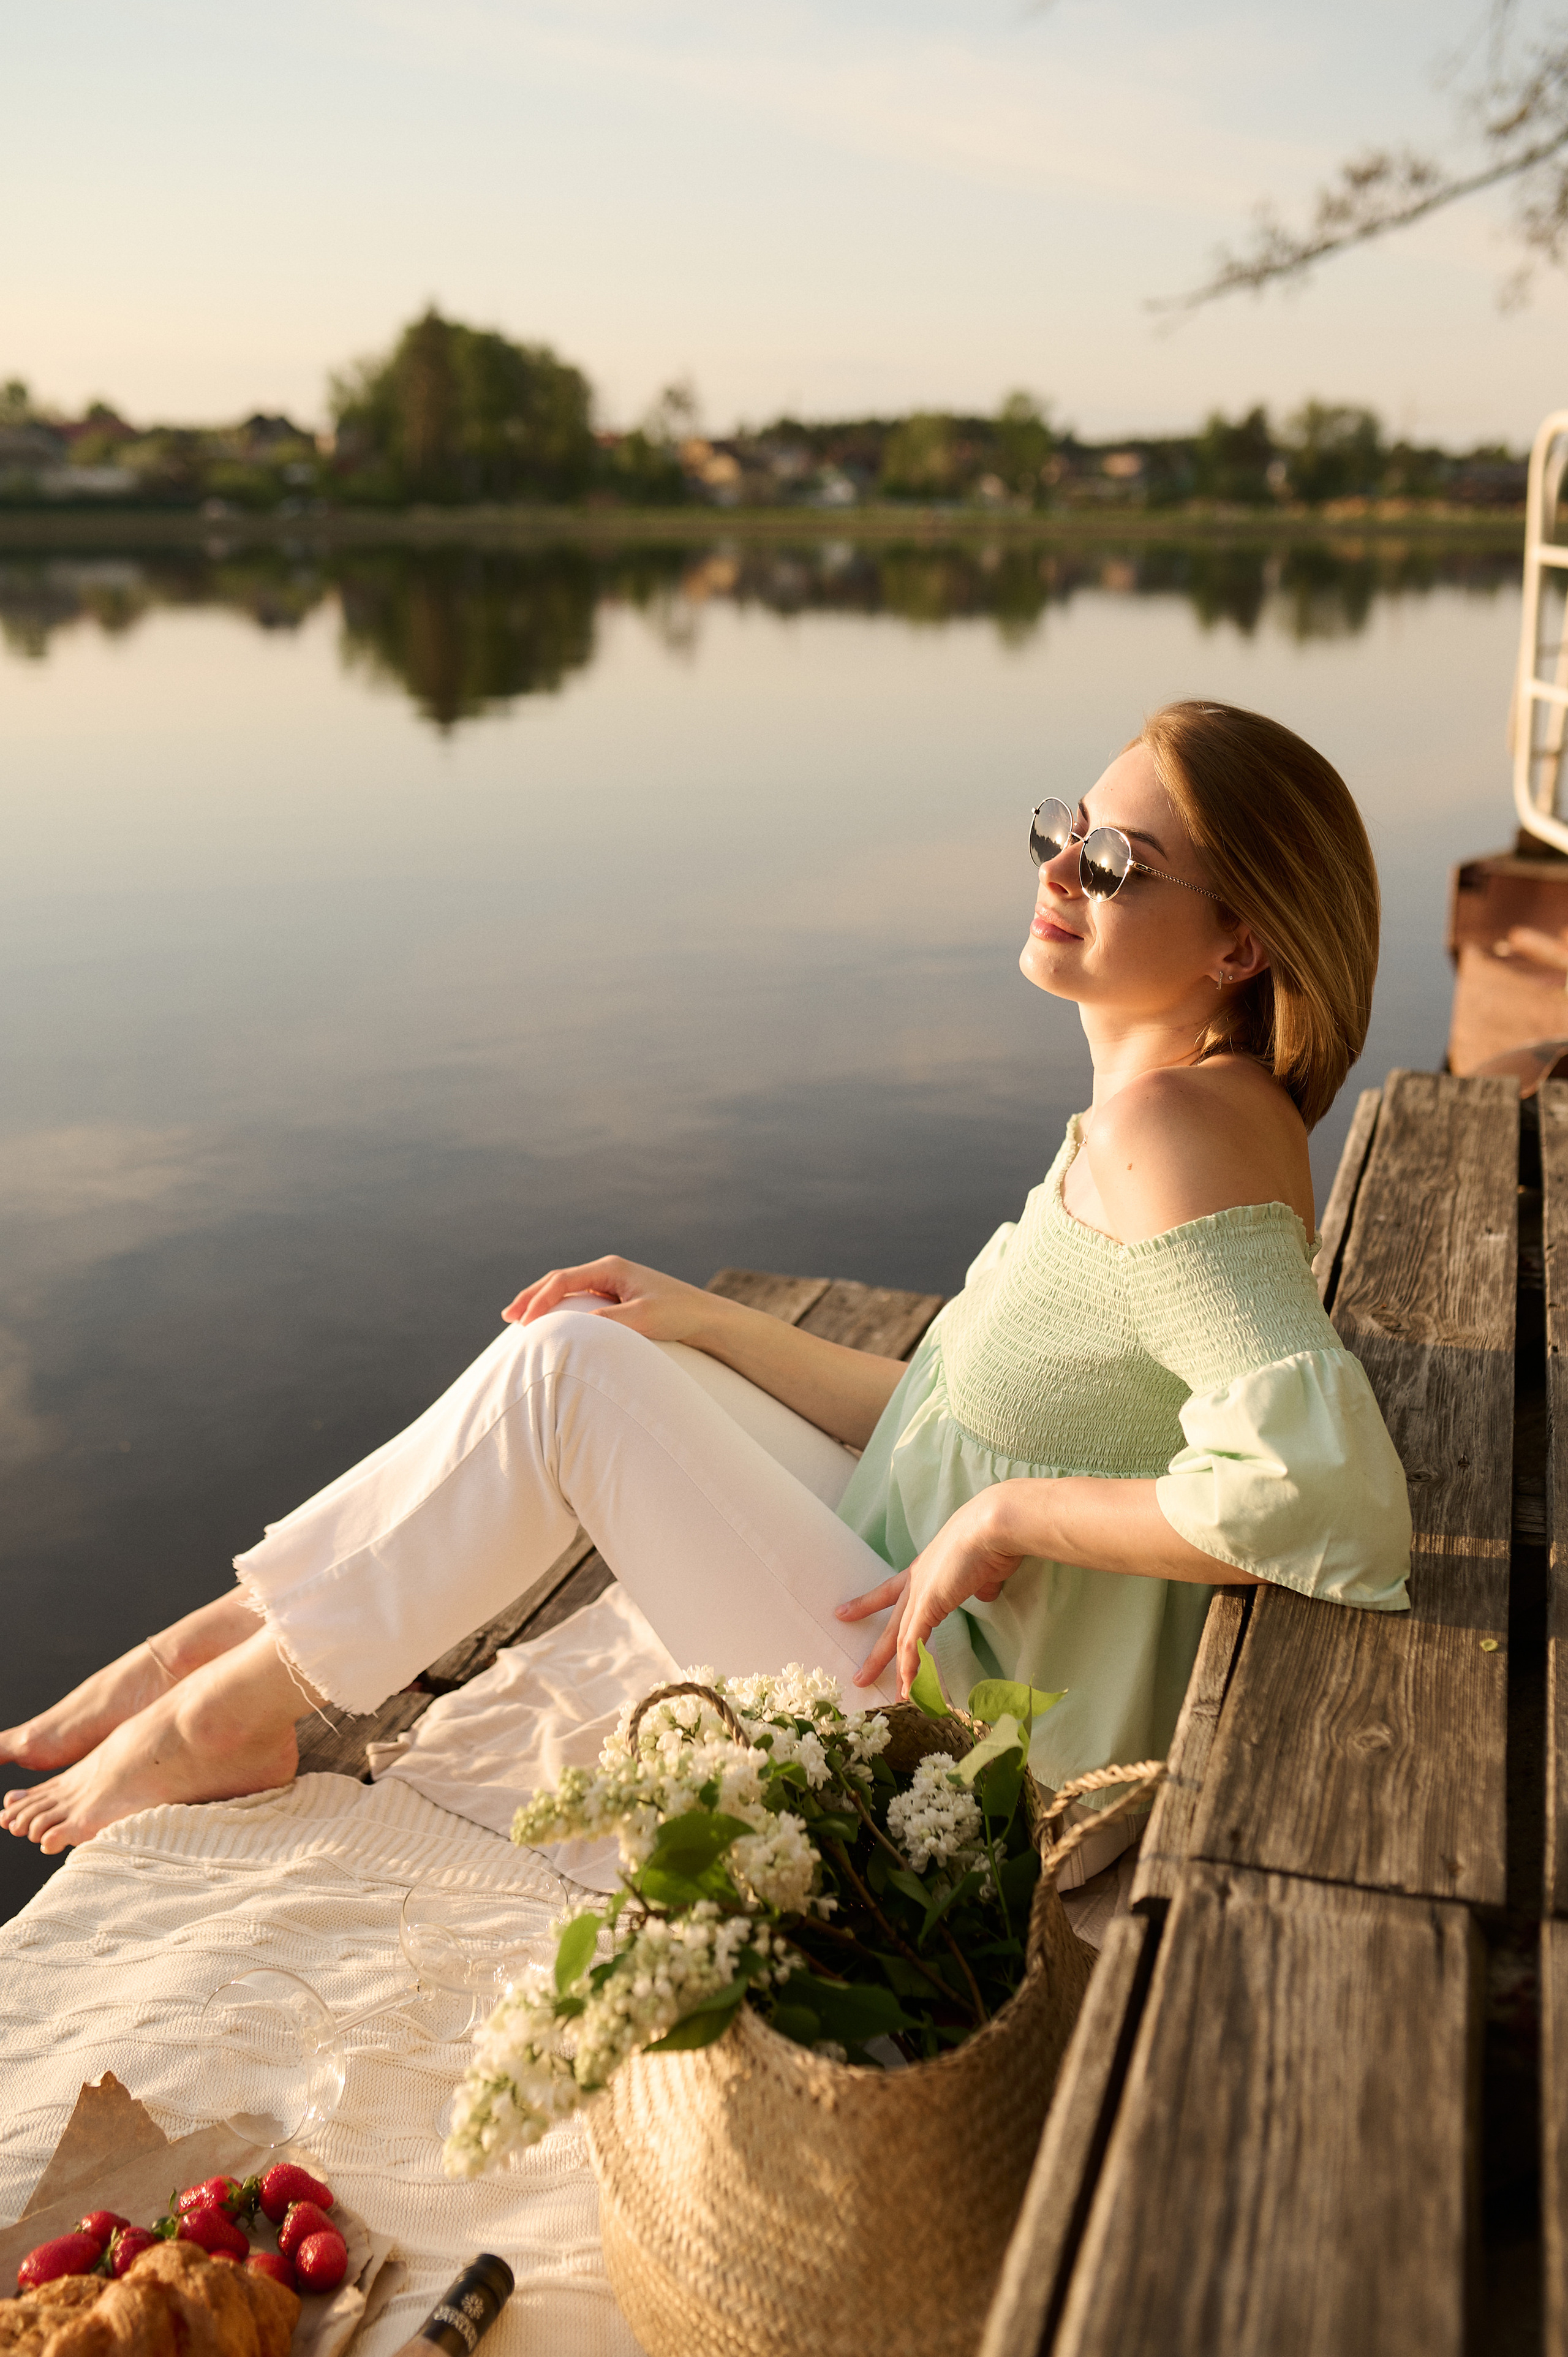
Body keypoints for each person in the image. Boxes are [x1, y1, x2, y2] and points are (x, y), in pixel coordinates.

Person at [1, 700, 1411, 1870]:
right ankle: (218, 1647)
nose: (1056, 871)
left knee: (565, 1377)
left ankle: (223, 1714)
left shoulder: (1166, 1136)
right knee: (600, 1338)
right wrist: (702, 1321)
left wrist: (1011, 1511)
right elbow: (951, 1410)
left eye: (1112, 865)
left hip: (965, 1746)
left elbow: (1322, 1490)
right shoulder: (1185, 1104)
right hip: (929, 1620)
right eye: (1062, 832)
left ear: (1240, 943)